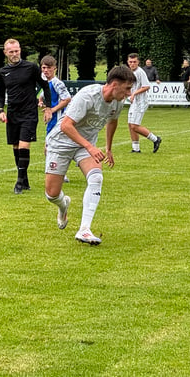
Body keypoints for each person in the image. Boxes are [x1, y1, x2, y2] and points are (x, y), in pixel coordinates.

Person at [44, 65, 136, 245]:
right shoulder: (88, 96)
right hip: (61, 143)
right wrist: (90, 147)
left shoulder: (118, 101)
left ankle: (84, 229)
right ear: (114, 84)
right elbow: (66, 126)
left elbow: (112, 121)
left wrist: (108, 148)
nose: (129, 93)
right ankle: (63, 206)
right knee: (52, 194)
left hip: (84, 146)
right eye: (127, 88)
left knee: (96, 178)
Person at [0, 38, 52, 194]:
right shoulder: (3, 71)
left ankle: (19, 182)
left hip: (29, 113)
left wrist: (48, 107)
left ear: (20, 50)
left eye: (17, 51)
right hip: (13, 113)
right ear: (5, 52)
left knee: (23, 146)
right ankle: (25, 179)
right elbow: (0, 93)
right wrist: (0, 110)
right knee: (15, 146)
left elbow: (45, 87)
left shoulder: (31, 67)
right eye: (12, 52)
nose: (15, 54)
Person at [37, 55, 72, 183]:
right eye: (43, 68)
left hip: (58, 119)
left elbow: (67, 99)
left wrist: (52, 109)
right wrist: (41, 103)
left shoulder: (57, 83)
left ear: (55, 69)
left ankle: (59, 173)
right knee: (50, 147)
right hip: (51, 120)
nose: (45, 70)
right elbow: (41, 96)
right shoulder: (45, 82)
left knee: (51, 147)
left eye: (48, 68)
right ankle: (57, 172)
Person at [127, 53, 162, 153]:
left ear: (138, 62)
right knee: (130, 125)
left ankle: (155, 139)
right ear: (128, 62)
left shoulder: (140, 72)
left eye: (134, 62)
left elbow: (146, 86)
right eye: (130, 62)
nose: (132, 64)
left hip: (140, 102)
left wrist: (134, 94)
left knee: (134, 125)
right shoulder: (130, 72)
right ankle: (136, 149)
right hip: (134, 102)